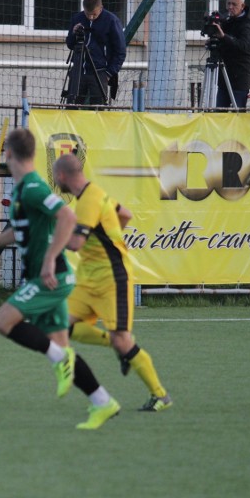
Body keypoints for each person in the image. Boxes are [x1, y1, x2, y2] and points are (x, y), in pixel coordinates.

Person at [0, 129, 120, 430]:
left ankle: (61, 359)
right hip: (44, 278)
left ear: (8, 154)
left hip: (52, 278)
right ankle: (103, 401)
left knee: (2, 322)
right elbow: (17, 231)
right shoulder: (21, 191)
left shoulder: (33, 187)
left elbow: (67, 218)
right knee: (62, 349)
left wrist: (48, 259)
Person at [52, 153, 172, 412]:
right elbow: (125, 215)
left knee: (123, 340)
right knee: (61, 324)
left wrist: (52, 226)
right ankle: (116, 344)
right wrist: (108, 234)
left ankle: (160, 395)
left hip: (112, 279)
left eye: (54, 176)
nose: (54, 180)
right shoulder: (94, 194)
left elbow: (75, 243)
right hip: (88, 279)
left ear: (62, 176)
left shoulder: (88, 202)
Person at [65, 0, 126, 107]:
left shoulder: (112, 21)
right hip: (78, 71)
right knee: (72, 107)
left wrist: (109, 73)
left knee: (98, 108)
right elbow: (70, 44)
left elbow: (120, 51)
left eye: (94, 14)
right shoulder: (77, 18)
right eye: (88, 14)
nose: (91, 17)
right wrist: (74, 33)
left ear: (101, 8)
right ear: (84, 10)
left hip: (100, 72)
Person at [214, 0, 250, 110]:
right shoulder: (226, 20)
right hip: (224, 75)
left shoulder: (247, 25)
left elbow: (243, 46)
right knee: (220, 113)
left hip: (240, 77)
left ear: (242, 6)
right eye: (228, 3)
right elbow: (226, 43)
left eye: (234, 4)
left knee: (237, 113)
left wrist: (223, 37)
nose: (230, 7)